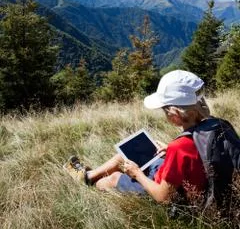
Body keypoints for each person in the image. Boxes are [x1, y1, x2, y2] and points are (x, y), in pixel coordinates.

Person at [64, 70, 210, 203]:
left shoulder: (179, 147)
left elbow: (164, 197)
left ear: (174, 115)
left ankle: (94, 183)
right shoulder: (217, 125)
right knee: (126, 155)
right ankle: (88, 176)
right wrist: (169, 151)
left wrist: (137, 174)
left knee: (113, 178)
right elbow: (198, 156)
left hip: (174, 194)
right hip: (185, 180)